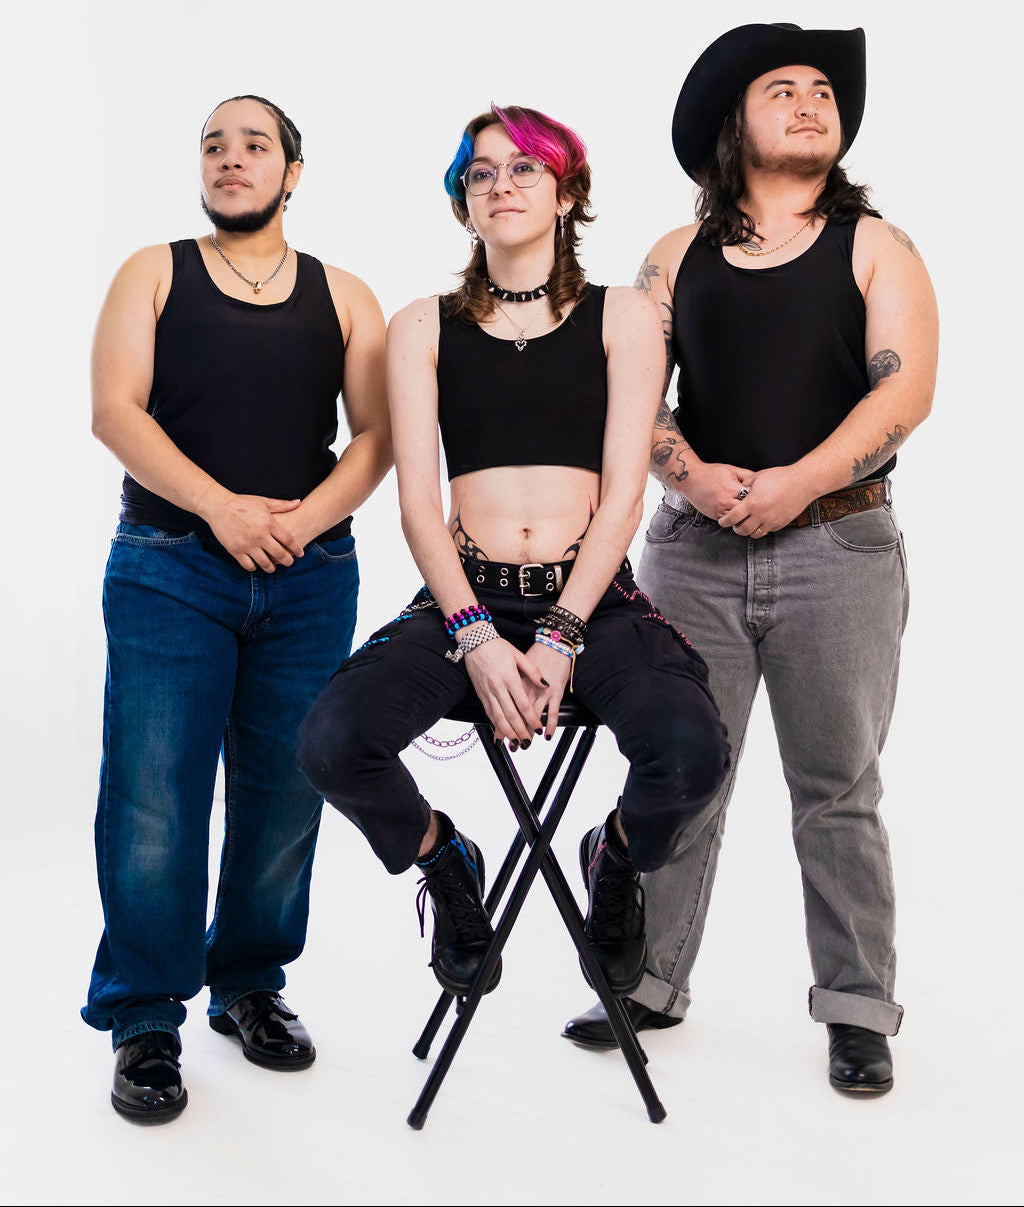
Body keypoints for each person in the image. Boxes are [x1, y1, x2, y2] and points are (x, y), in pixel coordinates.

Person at [562, 24, 938, 1096]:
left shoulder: (876, 245)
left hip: (840, 545)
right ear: (736, 122)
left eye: (823, 89)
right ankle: (648, 981)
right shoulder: (675, 256)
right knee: (680, 768)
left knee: (838, 790)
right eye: (784, 88)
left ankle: (856, 1010)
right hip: (694, 548)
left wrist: (796, 483)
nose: (812, 101)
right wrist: (690, 475)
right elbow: (628, 393)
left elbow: (905, 390)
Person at [298, 104, 729, 1009]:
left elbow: (625, 496)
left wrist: (563, 634)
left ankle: (613, 855)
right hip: (467, 597)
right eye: (481, 173)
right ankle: (444, 858)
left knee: (692, 751)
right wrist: (476, 636)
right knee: (333, 742)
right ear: (463, 203)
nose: (502, 185)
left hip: (591, 599)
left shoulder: (622, 316)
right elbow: (418, 505)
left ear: (567, 193)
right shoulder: (422, 325)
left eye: (526, 168)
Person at [83, 94, 391, 1121]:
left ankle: (250, 981)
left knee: (285, 790)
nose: (231, 158)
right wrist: (221, 508)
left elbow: (377, 437)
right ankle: (143, 1015)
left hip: (309, 573)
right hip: (169, 564)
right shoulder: (152, 272)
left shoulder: (346, 295)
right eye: (214, 144)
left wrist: (299, 525)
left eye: (255, 144)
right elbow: (113, 411)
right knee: (153, 794)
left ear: (291, 173)